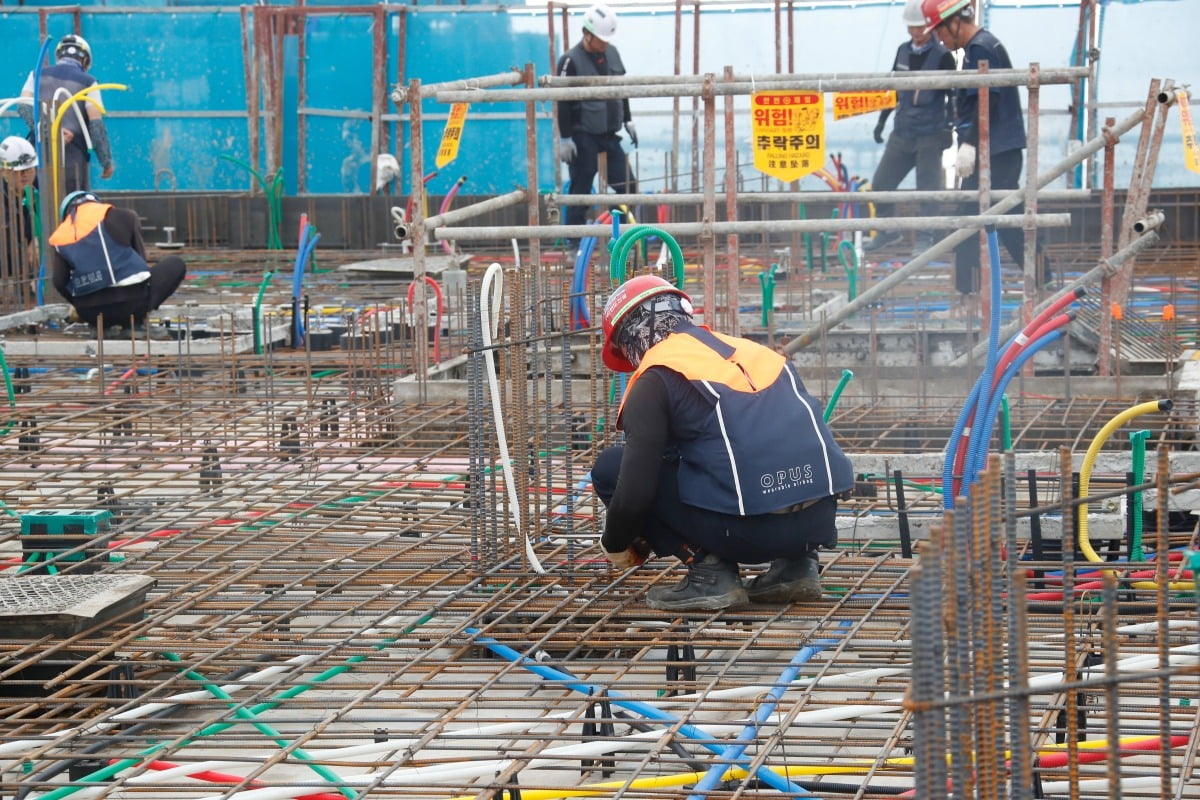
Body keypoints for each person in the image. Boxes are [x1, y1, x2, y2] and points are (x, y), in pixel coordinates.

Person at [590, 275, 854, 611]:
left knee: (611, 467)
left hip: (749, 534)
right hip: (816, 524)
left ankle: (709, 572)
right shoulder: (757, 354)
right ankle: (797, 566)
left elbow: (633, 495)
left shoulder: (656, 377)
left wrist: (615, 543)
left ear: (632, 332)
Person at [922, 0, 1045, 294]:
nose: (938, 39)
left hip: (995, 152)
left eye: (939, 31)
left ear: (954, 22)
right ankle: (1040, 280)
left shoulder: (981, 49)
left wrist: (969, 144)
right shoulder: (983, 46)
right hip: (997, 149)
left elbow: (984, 102)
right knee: (1001, 217)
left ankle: (971, 293)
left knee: (982, 220)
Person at [863, 0, 955, 255]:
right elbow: (893, 88)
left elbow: (952, 94)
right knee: (881, 184)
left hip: (930, 133)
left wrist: (949, 127)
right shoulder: (902, 51)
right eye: (912, 28)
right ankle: (887, 230)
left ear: (931, 28)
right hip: (902, 130)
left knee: (928, 188)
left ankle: (927, 236)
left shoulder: (943, 56)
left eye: (920, 27)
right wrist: (882, 121)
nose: (916, 32)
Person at [49, 190, 185, 336]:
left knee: (100, 298)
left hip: (91, 312)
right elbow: (141, 267)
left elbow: (59, 281)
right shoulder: (123, 215)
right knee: (175, 264)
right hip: (132, 304)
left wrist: (79, 303)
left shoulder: (61, 234)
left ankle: (103, 328)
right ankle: (134, 324)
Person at [556, 4, 637, 243]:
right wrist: (565, 137)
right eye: (601, 39)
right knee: (580, 190)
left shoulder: (613, 53)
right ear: (587, 34)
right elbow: (562, 101)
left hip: (609, 132)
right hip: (583, 134)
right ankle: (575, 244)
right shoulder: (569, 61)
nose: (604, 44)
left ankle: (619, 236)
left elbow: (621, 89)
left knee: (628, 186)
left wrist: (628, 119)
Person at [18, 34, 115, 195]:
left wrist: (48, 131)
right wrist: (106, 162)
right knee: (72, 210)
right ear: (85, 61)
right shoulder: (89, 82)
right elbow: (96, 125)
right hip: (72, 162)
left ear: (58, 56)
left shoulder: (36, 75)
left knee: (39, 209)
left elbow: (23, 106)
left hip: (39, 157)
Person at [1, 136, 40, 297]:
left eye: (30, 170)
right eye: (19, 172)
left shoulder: (39, 188)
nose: (26, 175)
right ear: (3, 171)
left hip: (27, 270)